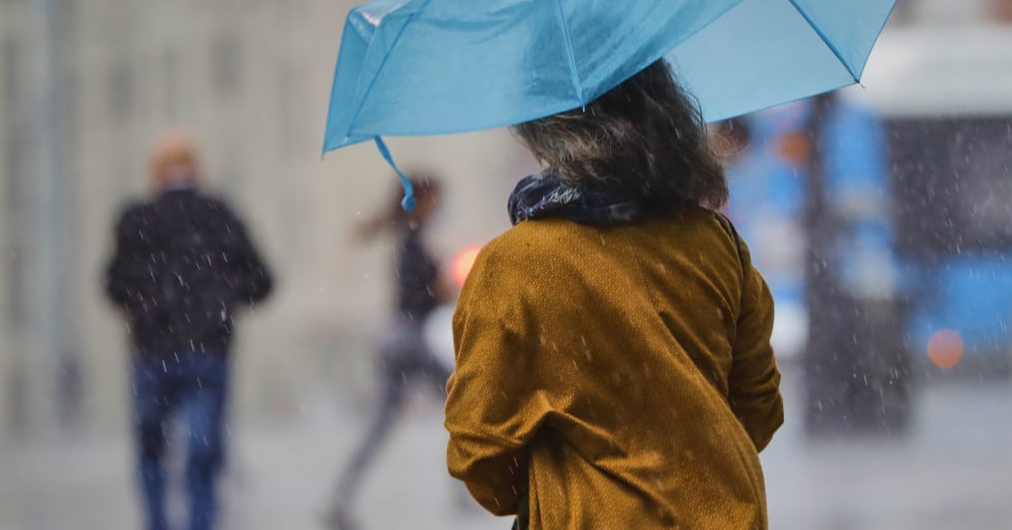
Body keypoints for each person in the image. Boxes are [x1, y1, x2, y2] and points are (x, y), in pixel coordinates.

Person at [444, 59, 784, 529]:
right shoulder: (717, 245)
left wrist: (558, 481)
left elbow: (479, 450)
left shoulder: (515, 265)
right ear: (666, 109)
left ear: (546, 127)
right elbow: (759, 410)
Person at [105, 131, 273, 530]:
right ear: (196, 170)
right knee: (203, 455)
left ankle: (157, 522)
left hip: (151, 354)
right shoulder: (219, 214)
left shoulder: (136, 219)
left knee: (151, 453)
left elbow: (113, 286)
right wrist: (222, 298)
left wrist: (147, 305)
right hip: (207, 354)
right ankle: (200, 522)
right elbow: (262, 282)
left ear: (155, 173)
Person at [325, 175, 455, 530]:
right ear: (424, 199)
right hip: (406, 340)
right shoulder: (412, 242)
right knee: (464, 399)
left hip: (396, 338)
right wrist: (444, 289)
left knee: (380, 426)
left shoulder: (409, 237)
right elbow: (417, 296)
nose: (441, 206)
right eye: (438, 198)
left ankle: (340, 496)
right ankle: (469, 488)